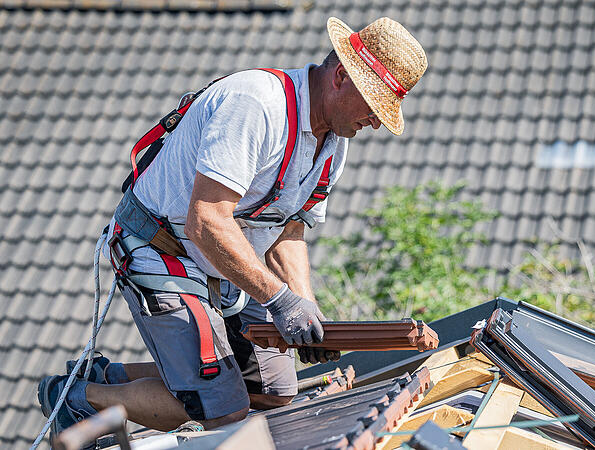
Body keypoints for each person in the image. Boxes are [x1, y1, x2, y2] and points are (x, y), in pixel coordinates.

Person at [37, 16, 428, 439]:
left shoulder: (333, 145)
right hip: (161, 249)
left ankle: (111, 377)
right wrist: (279, 300)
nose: (375, 121)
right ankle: (78, 396)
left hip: (220, 262)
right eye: (374, 105)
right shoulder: (256, 105)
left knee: (276, 390)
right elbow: (205, 220)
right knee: (222, 409)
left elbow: (288, 232)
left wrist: (306, 308)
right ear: (340, 77)